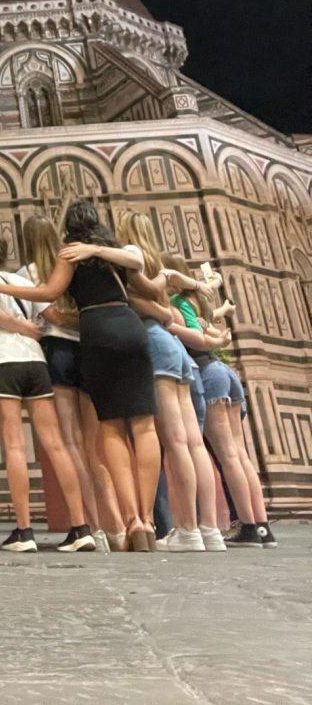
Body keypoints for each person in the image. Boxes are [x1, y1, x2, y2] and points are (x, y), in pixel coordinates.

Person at [0, 199, 159, 553]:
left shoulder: (70, 253)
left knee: (111, 427)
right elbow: (140, 264)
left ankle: (131, 521)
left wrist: (6, 287)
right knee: (144, 425)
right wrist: (101, 248)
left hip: (96, 330)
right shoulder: (117, 251)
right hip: (131, 328)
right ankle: (147, 519)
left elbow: (48, 293)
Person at [0, 224, 94, 553]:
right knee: (56, 446)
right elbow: (52, 315)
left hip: (3, 361)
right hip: (36, 363)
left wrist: (17, 327)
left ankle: (24, 531)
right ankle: (80, 527)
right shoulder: (27, 282)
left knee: (14, 447)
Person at [119, 211, 224, 552]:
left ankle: (187, 529)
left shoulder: (132, 259)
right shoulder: (158, 263)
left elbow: (133, 301)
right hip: (177, 349)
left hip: (155, 344)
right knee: (194, 443)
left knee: (176, 443)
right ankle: (210, 529)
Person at [22, 214, 124, 553]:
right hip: (87, 348)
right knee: (93, 447)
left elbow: (50, 316)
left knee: (69, 444)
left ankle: (90, 528)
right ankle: (116, 528)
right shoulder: (74, 263)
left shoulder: (32, 273)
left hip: (58, 353)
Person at [163, 254, 276, 549]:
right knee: (239, 453)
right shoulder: (197, 301)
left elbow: (199, 335)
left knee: (227, 455)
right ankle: (261, 527)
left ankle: (249, 527)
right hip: (225, 371)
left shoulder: (175, 302)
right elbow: (211, 326)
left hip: (209, 372)